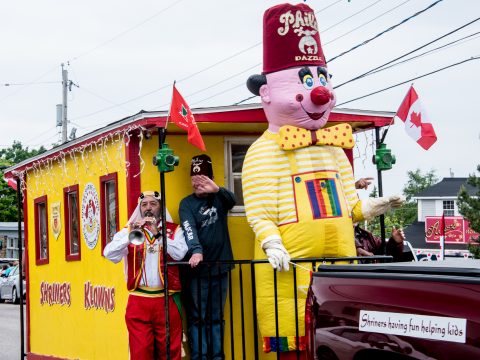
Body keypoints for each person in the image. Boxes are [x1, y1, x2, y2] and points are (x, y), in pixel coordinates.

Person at [104, 191, 188, 360]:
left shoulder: (174, 230)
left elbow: (180, 254)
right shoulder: (129, 230)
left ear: (160, 207)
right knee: (140, 353)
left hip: (166, 299)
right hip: (138, 300)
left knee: (170, 351)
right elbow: (109, 254)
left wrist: (158, 234)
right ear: (139, 209)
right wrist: (129, 235)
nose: (148, 208)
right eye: (144, 204)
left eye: (153, 203)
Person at [179, 154, 236, 360]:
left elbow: (233, 200)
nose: (198, 184)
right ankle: (199, 357)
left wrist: (217, 189)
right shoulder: (186, 203)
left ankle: (217, 357)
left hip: (221, 268)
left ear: (210, 179)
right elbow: (188, 228)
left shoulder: (219, 198)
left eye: (202, 180)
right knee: (197, 318)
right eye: (194, 181)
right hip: (197, 272)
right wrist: (196, 250)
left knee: (216, 317)